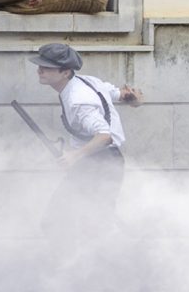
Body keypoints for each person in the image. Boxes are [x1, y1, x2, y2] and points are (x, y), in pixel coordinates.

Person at [30, 43, 143, 271]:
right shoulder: (89, 81)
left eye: (47, 67)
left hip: (101, 162)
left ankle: (138, 269)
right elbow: (119, 94)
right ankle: (74, 270)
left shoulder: (78, 100)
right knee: (65, 221)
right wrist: (132, 97)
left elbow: (104, 136)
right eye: (40, 66)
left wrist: (74, 156)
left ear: (65, 72)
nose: (40, 70)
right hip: (95, 162)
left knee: (87, 225)